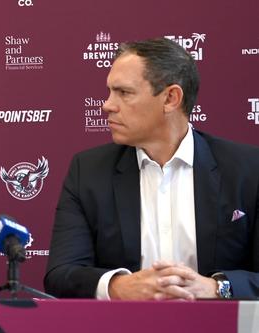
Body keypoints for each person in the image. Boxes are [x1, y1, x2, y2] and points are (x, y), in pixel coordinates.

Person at [44, 38, 259, 300]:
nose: (107, 105)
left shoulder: (248, 169)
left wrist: (215, 287)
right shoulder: (88, 171)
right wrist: (119, 286)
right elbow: (61, 274)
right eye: (110, 92)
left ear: (170, 98)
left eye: (124, 92)